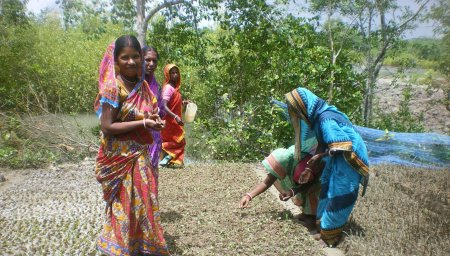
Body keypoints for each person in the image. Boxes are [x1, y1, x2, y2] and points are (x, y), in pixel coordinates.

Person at [93, 35, 169, 255]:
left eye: (135, 56)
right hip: (119, 158)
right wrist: (143, 122)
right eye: (125, 57)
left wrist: (154, 121)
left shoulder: (143, 86)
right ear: (116, 61)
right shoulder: (113, 88)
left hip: (141, 156)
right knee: (124, 208)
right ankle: (119, 249)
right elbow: (107, 126)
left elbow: (147, 115)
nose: (132, 62)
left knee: (144, 205)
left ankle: (143, 248)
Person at [285, 87, 370, 248]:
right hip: (337, 156)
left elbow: (342, 144)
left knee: (340, 194)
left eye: (297, 110)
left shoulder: (325, 118)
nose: (298, 115)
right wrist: (310, 168)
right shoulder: (318, 118)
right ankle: (322, 226)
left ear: (304, 106)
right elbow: (323, 143)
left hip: (351, 157)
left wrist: (320, 157)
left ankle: (330, 236)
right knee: (327, 187)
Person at [239, 144, 326, 227]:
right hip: (308, 175)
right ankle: (307, 215)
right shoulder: (286, 160)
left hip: (321, 178)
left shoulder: (308, 166)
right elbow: (267, 181)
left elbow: (314, 182)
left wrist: (293, 192)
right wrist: (248, 196)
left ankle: (313, 218)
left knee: (313, 193)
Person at [159, 64, 189, 168]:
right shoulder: (168, 88)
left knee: (177, 141)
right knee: (177, 141)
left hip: (173, 120)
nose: (175, 75)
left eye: (177, 72)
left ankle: (169, 161)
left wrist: (183, 103)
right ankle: (167, 159)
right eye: (172, 73)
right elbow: (164, 105)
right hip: (169, 121)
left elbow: (173, 103)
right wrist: (175, 117)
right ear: (167, 75)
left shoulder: (174, 88)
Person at [143, 46, 164, 171]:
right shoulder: (133, 84)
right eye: (147, 60)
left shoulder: (157, 87)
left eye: (154, 61)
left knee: (151, 175)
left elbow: (161, 110)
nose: (151, 64)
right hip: (136, 136)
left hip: (154, 137)